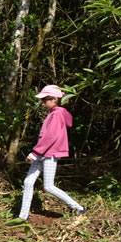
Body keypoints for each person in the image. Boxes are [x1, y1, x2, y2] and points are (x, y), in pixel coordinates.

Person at [13, 85, 85, 222]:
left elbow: (50, 136)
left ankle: (77, 207)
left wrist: (35, 153)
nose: (43, 103)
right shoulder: (54, 113)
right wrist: (37, 153)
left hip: (49, 153)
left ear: (55, 99)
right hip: (42, 153)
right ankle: (23, 216)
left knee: (49, 186)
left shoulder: (57, 114)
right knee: (28, 181)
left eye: (45, 100)